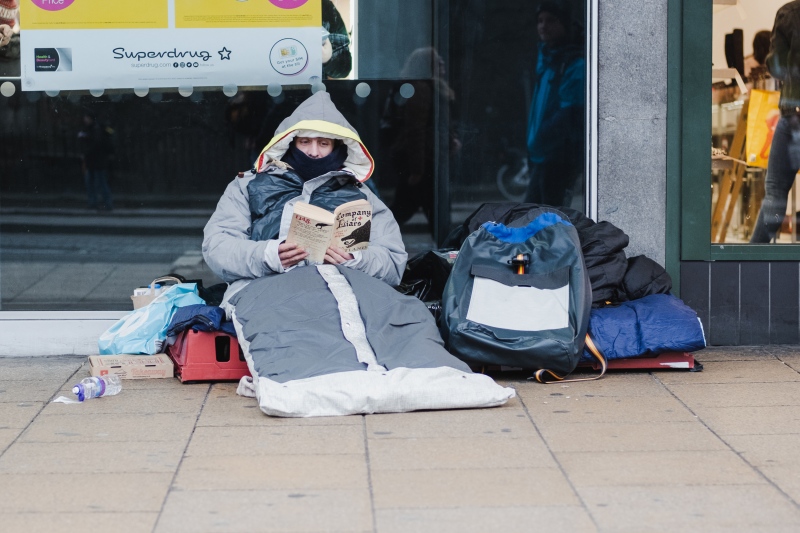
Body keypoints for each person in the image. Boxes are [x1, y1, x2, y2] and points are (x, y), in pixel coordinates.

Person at [203, 90, 407, 306]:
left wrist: (356, 260)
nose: (313, 152)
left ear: (338, 146)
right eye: (305, 142)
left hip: (343, 297)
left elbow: (393, 261)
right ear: (291, 142)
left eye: (323, 143)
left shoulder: (361, 194)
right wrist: (270, 255)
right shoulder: (248, 185)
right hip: (265, 297)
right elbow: (217, 246)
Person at [388, 47, 460, 231]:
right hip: (425, 161)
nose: (442, 63)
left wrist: (450, 140)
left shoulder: (433, 87)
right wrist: (417, 170)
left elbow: (438, 124)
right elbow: (416, 130)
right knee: (425, 211)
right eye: (436, 61)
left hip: (428, 159)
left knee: (408, 209)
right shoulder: (421, 88)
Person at [524, 0, 585, 208]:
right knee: (531, 214)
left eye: (551, 20)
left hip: (559, 157)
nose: (543, 26)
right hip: (543, 155)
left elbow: (569, 114)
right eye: (540, 21)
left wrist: (541, 139)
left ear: (564, 25)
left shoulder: (572, 62)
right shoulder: (548, 59)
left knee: (549, 216)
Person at [750, 1, 800, 243]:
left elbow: (777, 67)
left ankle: (751, 261)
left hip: (795, 114)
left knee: (776, 194)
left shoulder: (790, 13)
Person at [78, 113, 115, 211]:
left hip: (96, 161)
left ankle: (101, 203)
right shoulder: (94, 128)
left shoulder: (95, 129)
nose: (84, 119)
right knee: (96, 182)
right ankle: (101, 203)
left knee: (97, 182)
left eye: (86, 117)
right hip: (96, 161)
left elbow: (95, 144)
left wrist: (85, 151)